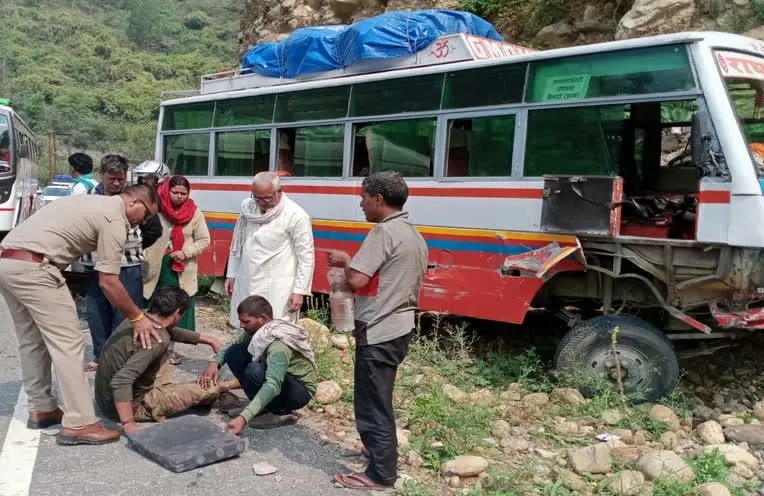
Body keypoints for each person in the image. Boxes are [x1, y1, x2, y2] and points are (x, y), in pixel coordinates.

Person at [0, 183, 161, 445]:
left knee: (32, 340)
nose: (141, 224)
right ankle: (80, 422)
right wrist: (137, 317)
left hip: (7, 261)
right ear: (134, 202)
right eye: (144, 216)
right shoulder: (114, 217)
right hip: (36, 268)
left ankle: (41, 407)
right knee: (69, 343)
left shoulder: (91, 202)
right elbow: (109, 281)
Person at [327, 171, 428, 491]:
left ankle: (380, 474)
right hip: (399, 327)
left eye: (364, 197)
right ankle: (377, 454)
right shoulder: (413, 234)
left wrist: (345, 260)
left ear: (379, 199)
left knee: (373, 403)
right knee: (378, 397)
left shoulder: (383, 233)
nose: (361, 203)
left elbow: (357, 280)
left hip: (380, 330)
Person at [94, 286, 236, 433]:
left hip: (106, 399)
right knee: (211, 388)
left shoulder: (141, 317)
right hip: (129, 406)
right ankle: (221, 388)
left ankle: (176, 395)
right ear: (176, 313)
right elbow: (121, 381)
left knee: (163, 346)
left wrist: (209, 340)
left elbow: (167, 330)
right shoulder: (157, 340)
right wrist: (129, 424)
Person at [198, 295, 318, 434]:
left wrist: (244, 417)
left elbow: (273, 384)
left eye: (246, 321)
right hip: (282, 381)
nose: (241, 325)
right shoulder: (260, 331)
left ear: (262, 318)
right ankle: (262, 408)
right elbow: (232, 344)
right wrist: (215, 363)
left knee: (254, 370)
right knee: (234, 352)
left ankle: (279, 412)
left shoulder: (279, 345)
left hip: (299, 392)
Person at [82, 155, 147, 372]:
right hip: (96, 265)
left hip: (127, 265)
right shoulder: (89, 197)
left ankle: (120, 359)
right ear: (102, 175)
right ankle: (101, 356)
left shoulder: (133, 197)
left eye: (121, 179)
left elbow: (152, 229)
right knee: (97, 313)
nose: (117, 183)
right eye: (113, 179)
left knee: (125, 315)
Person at [224, 171, 315, 326]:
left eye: (267, 198)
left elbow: (306, 257)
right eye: (257, 198)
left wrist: (299, 291)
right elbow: (237, 245)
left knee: (273, 330)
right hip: (246, 280)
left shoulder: (296, 215)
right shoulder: (248, 209)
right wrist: (231, 274)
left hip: (277, 287)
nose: (261, 202)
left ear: (279, 192)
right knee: (245, 327)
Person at [143, 175, 210, 364]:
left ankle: (168, 350)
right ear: (167, 190)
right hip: (156, 268)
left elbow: (204, 240)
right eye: (175, 192)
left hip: (180, 270)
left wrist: (185, 252)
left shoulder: (194, 212)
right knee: (154, 307)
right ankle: (149, 348)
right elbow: (143, 232)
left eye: (184, 193)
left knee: (174, 310)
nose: (179, 196)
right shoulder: (156, 208)